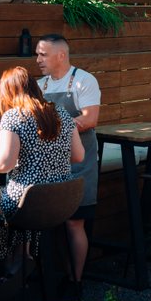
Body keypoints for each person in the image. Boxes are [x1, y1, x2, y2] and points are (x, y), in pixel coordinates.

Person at [0, 66, 85, 269]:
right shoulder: (62, 113)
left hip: (27, 202)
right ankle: (21, 259)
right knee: (12, 204)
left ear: (8, 92)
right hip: (60, 200)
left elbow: (4, 164)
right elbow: (79, 155)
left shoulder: (13, 117)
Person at [34, 34, 100, 283]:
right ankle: (45, 279)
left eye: (43, 54)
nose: (38, 59)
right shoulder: (41, 86)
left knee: (75, 223)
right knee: (46, 221)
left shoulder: (84, 81)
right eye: (38, 54)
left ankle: (75, 281)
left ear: (61, 55)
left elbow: (90, 119)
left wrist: (53, 126)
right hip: (48, 164)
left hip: (79, 161)